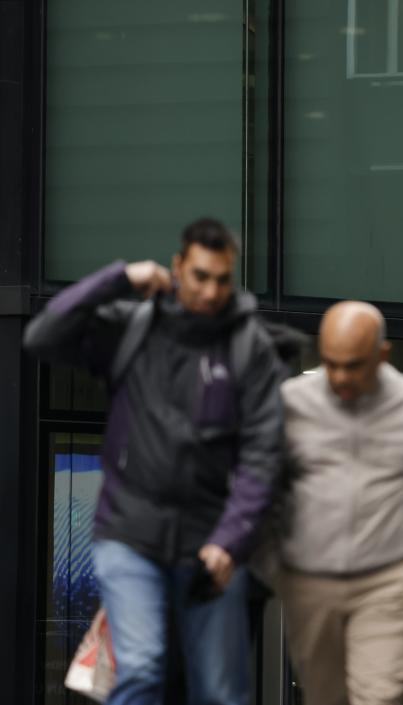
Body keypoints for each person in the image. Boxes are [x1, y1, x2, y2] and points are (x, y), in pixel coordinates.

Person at [23, 218, 286, 705]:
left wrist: (231, 540)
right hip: (131, 536)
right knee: (140, 669)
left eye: (222, 279)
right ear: (178, 266)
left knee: (220, 693)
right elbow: (43, 334)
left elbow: (262, 455)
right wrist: (119, 277)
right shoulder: (134, 326)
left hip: (210, 546)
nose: (210, 291)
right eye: (200, 276)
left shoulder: (250, 350)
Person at [273, 300, 403, 705]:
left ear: (382, 355)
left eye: (353, 365)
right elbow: (258, 481)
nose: (340, 377)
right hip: (311, 580)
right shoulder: (290, 403)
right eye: (330, 363)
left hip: (389, 581)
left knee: (378, 696)